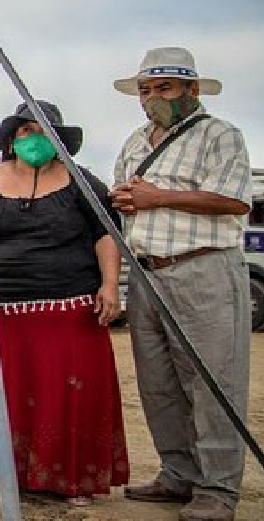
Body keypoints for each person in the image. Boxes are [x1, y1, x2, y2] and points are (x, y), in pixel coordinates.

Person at [111, 48, 252, 521]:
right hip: (147, 269)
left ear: (191, 90)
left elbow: (234, 200)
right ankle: (178, 473)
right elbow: (127, 190)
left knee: (213, 379)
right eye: (146, 90)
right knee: (159, 381)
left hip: (202, 266)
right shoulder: (136, 140)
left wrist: (156, 196)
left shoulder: (221, 135)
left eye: (164, 88)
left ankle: (218, 488)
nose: (153, 98)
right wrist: (128, 198)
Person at [0, 100, 128, 507]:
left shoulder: (82, 181)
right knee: (11, 391)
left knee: (70, 395)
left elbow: (105, 234)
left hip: (71, 308)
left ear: (58, 140)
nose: (33, 138)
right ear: (11, 139)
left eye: (43, 131)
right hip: (6, 309)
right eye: (25, 131)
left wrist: (110, 285)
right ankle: (8, 474)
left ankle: (72, 478)